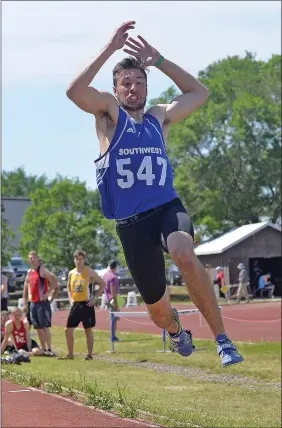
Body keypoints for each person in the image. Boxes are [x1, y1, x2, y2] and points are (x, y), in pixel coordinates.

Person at [66, 21, 243, 367]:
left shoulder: (158, 118)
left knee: (183, 251)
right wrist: (109, 49)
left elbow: (199, 93)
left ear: (147, 88)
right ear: (115, 90)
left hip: (166, 207)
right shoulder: (108, 116)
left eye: (139, 82)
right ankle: (177, 330)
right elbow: (75, 91)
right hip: (131, 225)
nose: (133, 89)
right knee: (159, 313)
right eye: (126, 84)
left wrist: (159, 60)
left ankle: (223, 339)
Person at [58, 250, 106, 361]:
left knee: (88, 330)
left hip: (86, 304)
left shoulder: (89, 271)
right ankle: (70, 354)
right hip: (75, 304)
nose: (78, 261)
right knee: (68, 330)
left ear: (84, 259)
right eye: (76, 259)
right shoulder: (71, 273)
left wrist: (95, 298)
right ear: (74, 260)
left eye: (80, 259)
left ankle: (89, 355)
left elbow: (103, 283)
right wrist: (70, 300)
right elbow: (68, 287)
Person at [23, 251, 58, 356]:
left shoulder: (42, 269)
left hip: (42, 303)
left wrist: (47, 293)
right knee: (37, 327)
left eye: (33, 257)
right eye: (30, 258)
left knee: (44, 326)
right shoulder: (29, 272)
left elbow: (55, 282)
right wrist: (25, 301)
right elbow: (26, 287)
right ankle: (43, 349)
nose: (32, 259)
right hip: (32, 303)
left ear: (38, 258)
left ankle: (49, 349)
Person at [103, 260, 120, 341]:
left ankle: (113, 335)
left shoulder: (106, 275)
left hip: (106, 298)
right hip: (111, 299)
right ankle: (112, 336)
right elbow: (113, 291)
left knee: (112, 318)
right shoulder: (113, 277)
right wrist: (116, 303)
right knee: (114, 318)